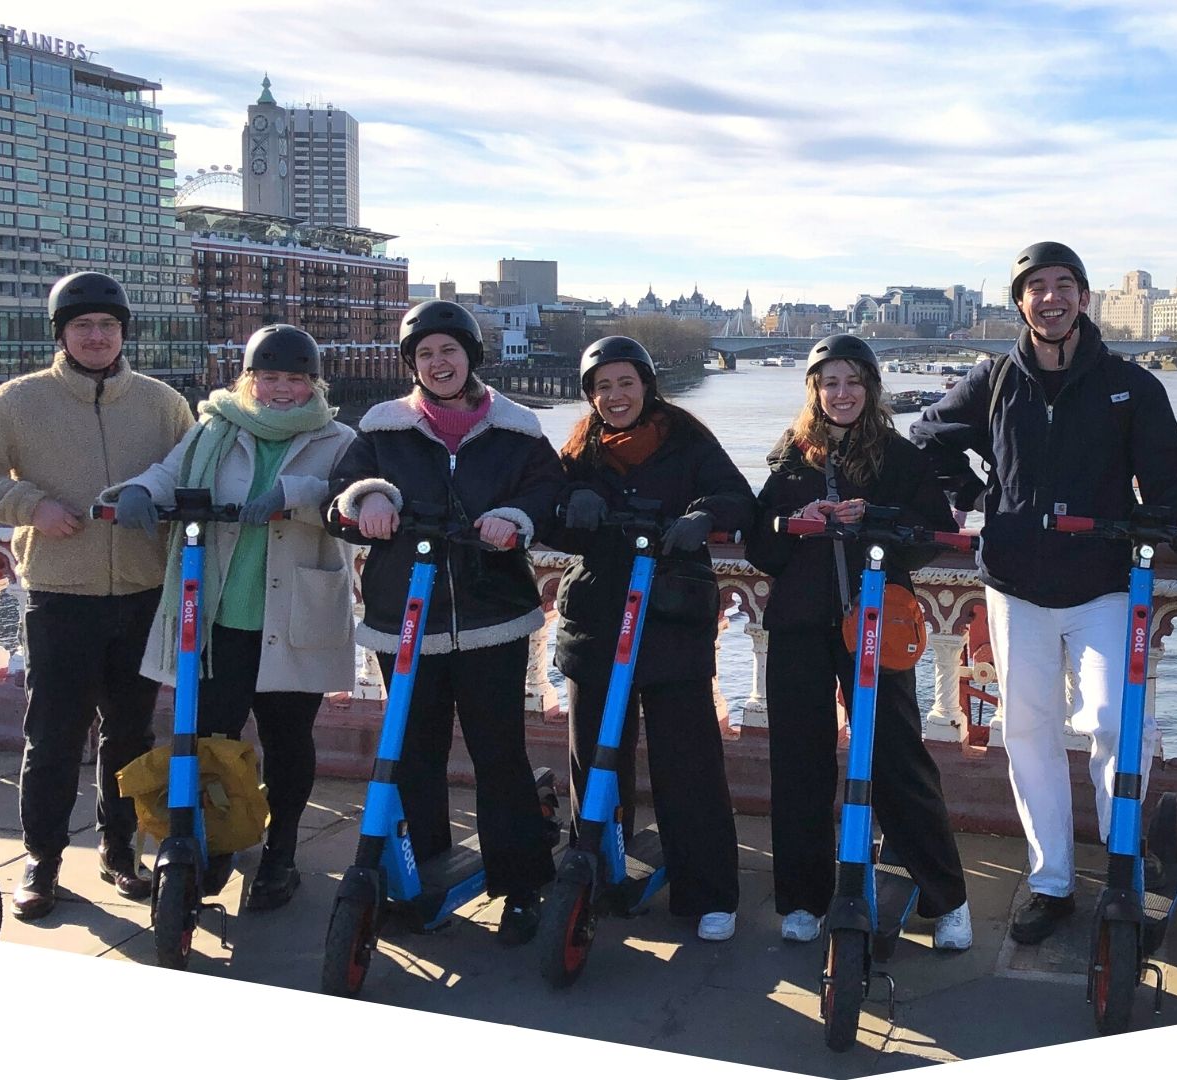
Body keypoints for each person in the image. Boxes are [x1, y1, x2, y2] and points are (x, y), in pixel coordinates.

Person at [911, 242, 1177, 945]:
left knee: (1112, 722)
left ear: (1083, 296)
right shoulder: (993, 380)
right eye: (1036, 287)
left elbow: (1175, 478)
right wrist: (983, 495)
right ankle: (1050, 883)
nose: (1051, 298)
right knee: (1028, 733)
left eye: (1064, 285)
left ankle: (1123, 860)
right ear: (1020, 302)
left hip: (1104, 582)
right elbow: (927, 438)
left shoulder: (1129, 386)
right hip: (1016, 586)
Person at [0, 270, 193, 919]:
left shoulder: (163, 402)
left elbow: (194, 476)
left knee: (130, 736)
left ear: (123, 332)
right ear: (63, 334)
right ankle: (42, 861)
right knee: (52, 738)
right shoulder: (20, 400)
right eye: (83, 326)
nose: (97, 336)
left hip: (143, 593)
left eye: (108, 325)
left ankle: (118, 850)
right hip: (60, 595)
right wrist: (32, 505)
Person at [326, 299, 561, 945]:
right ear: (412, 365)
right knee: (414, 755)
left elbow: (549, 492)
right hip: (405, 613)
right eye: (425, 354)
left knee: (500, 755)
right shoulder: (380, 428)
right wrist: (368, 498)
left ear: (470, 357)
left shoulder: (518, 428)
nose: (438, 363)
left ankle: (520, 886)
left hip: (491, 615)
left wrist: (515, 519)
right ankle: (423, 873)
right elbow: (340, 494)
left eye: (448, 351)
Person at [98, 324, 355, 910]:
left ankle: (281, 852)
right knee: (213, 739)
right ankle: (215, 845)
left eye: (295, 378)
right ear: (249, 379)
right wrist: (136, 490)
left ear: (313, 383)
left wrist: (293, 493)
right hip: (219, 620)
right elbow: (170, 473)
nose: (282, 390)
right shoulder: (215, 429)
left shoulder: (338, 438)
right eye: (270, 377)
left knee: (288, 739)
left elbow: (354, 496)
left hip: (295, 618)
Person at [746, 334, 972, 949]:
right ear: (814, 392)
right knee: (800, 758)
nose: (841, 394)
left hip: (876, 624)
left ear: (871, 388)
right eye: (829, 383)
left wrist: (876, 523)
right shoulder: (792, 456)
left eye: (852, 382)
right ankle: (802, 896)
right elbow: (761, 547)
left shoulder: (900, 458)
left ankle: (946, 896)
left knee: (896, 754)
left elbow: (932, 536)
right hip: (799, 624)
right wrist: (794, 524)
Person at [548, 335, 752, 942]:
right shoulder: (579, 449)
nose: (615, 397)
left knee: (686, 761)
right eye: (603, 387)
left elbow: (739, 498)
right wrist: (571, 502)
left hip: (670, 618)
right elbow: (545, 508)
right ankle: (599, 872)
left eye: (626, 384)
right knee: (595, 758)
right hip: (597, 616)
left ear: (646, 386)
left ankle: (709, 890)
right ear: (591, 395)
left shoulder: (686, 437)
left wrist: (704, 516)